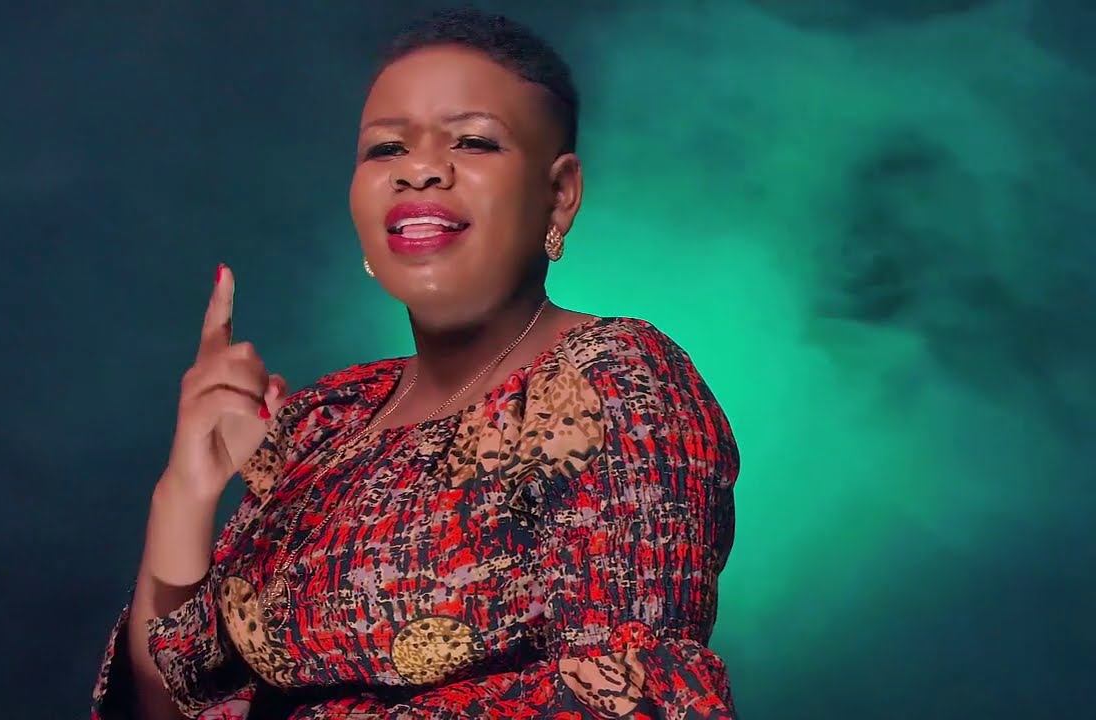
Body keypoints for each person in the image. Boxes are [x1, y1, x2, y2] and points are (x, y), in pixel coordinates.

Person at [91, 8, 740, 719]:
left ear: (559, 196)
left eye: (473, 140)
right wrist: (184, 494)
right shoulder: (325, 420)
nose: (419, 169)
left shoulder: (614, 380)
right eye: (386, 148)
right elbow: (177, 707)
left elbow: (632, 700)